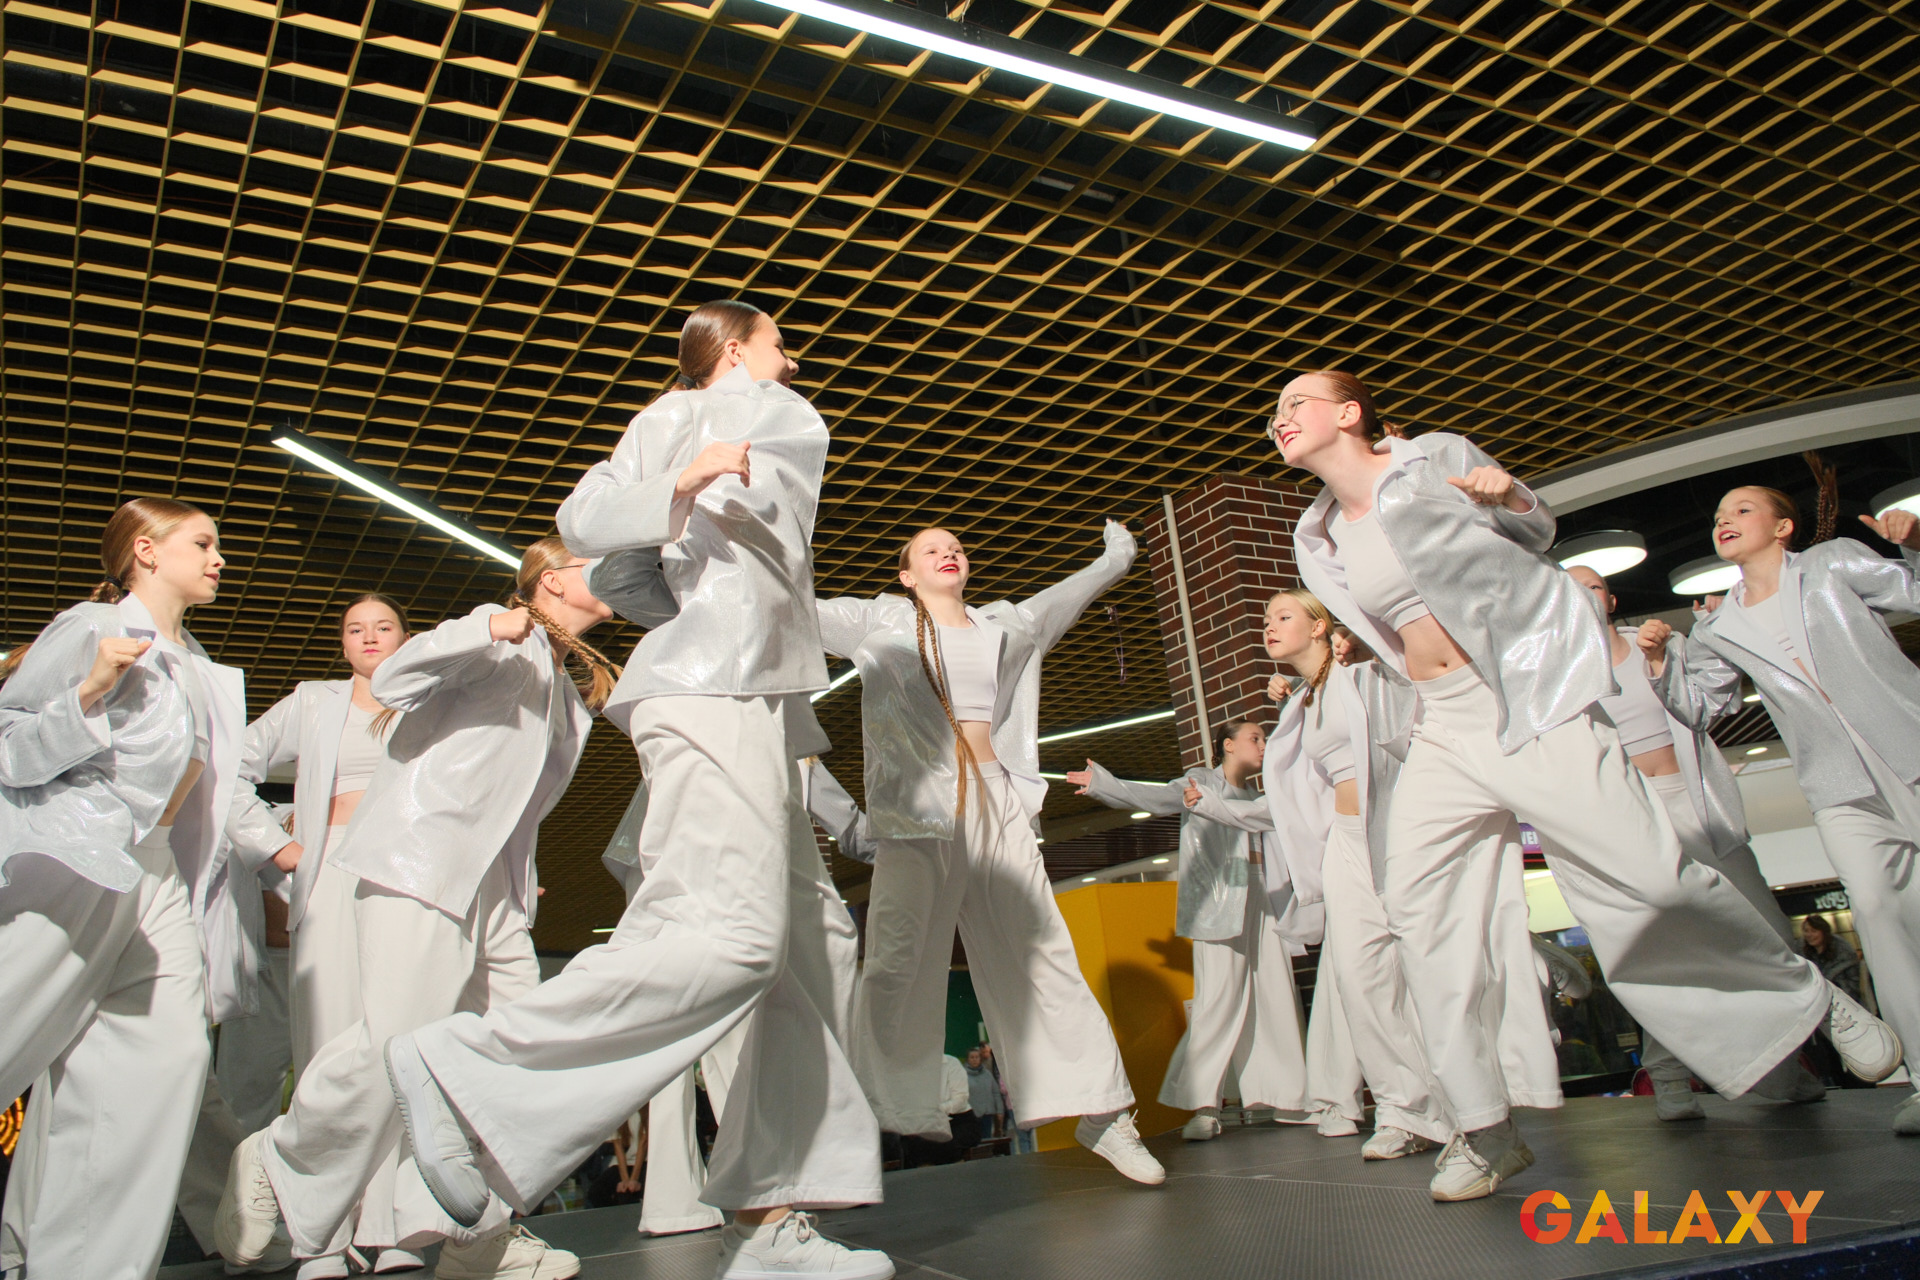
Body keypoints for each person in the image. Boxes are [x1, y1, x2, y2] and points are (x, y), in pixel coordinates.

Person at [358, 301, 893, 1280]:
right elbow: (589, 525)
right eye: (779, 343)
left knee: (811, 946)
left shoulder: (722, 417)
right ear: (735, 350)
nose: (793, 360)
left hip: (753, 694)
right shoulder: (736, 413)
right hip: (710, 689)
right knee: (735, 940)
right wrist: (682, 483)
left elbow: (633, 572)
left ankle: (770, 1220)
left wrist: (680, 538)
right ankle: (465, 1066)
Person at [1271, 369, 1898, 1200]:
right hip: (1443, 724)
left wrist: (1509, 495)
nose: (1279, 418)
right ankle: (1484, 1130)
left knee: (1651, 876)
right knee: (1419, 917)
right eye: (1275, 412)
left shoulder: (1430, 458)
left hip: (1529, 700)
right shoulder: (1316, 537)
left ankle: (1810, 999)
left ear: (1350, 412)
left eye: (1296, 403)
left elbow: (1535, 530)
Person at [217, 536, 615, 1280]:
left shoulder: (561, 683)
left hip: (492, 889)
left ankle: (472, 1234)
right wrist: (485, 624)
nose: (622, 573)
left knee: (516, 1057)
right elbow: (397, 675)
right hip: (420, 863)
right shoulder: (495, 640)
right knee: (395, 1043)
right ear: (555, 581)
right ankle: (278, 1158)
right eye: (600, 564)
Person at [818, 521, 1164, 1186]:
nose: (948, 553)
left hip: (996, 800)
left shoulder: (1003, 625)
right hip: (918, 808)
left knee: (1041, 951)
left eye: (956, 546)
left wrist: (1112, 562)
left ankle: (1102, 1112)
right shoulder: (877, 622)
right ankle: (882, 1109)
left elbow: (1060, 602)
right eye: (930, 549)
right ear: (906, 575)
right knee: (897, 953)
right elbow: (784, 603)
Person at [1188, 591, 1559, 1161]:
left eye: (1283, 616)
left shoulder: (1364, 673)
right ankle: (1404, 1109)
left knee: (1428, 967)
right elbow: (1288, 802)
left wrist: (1366, 645)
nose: (1268, 626)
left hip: (1399, 830)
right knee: (1360, 978)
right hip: (1344, 841)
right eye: (1264, 619)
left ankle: (1470, 1108)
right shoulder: (1301, 705)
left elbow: (1418, 697)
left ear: (1320, 626)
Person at [0, 498, 246, 1279]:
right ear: (146, 550)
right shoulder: (88, 628)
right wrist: (87, 694)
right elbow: (8, 745)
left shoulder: (199, 664)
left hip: (157, 873)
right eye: (202, 543)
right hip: (76, 859)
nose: (218, 558)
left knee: (163, 1061)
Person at [1639, 487, 1920, 1133]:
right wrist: (1659, 664)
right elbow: (1699, 708)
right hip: (1837, 784)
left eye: (1741, 510)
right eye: (1718, 516)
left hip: (1910, 744)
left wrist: (1915, 544)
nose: (1724, 520)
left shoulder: (1833, 562)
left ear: (1783, 525)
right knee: (1874, 910)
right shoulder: (1716, 627)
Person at [1568, 566, 1825, 1122]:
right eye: (1569, 589)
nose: (1582, 596)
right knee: (1676, 951)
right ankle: (1666, 1073)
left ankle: (1777, 1070)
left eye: (1592, 586)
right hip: (1635, 818)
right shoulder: (1561, 669)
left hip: (1698, 802)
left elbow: (1716, 703)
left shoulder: (1660, 643)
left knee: (1772, 933)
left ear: (1611, 599)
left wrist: (1674, 651)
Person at [221, 594, 420, 1276]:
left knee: (396, 1040)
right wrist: (274, 846)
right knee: (327, 1041)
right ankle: (322, 1236)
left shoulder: (429, 698)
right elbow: (232, 763)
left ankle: (391, 1225)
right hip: (330, 867)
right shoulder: (312, 701)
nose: (369, 637)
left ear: (407, 638)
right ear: (342, 643)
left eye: (384, 626)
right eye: (355, 628)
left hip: (406, 869)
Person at [596, 759, 874, 1236]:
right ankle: (766, 1189)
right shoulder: (777, 739)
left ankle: (672, 1203)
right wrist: (918, 846)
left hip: (661, 879)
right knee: (737, 1041)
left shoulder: (683, 741)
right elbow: (847, 824)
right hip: (718, 885)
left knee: (672, 1045)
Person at [1067, 720, 1314, 1143]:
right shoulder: (1201, 781)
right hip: (1220, 903)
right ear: (1228, 745)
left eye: (1265, 738)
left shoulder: (1258, 793)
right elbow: (1157, 797)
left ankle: (1288, 1098)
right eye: (1255, 738)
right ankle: (1204, 1106)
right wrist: (1103, 785)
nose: (1263, 744)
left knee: (1275, 994)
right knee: (1218, 1001)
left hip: (1262, 898)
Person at [1802, 915, 1862, 999]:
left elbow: (1855, 984)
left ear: (1824, 932)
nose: (1809, 935)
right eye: (1806, 931)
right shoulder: (1803, 954)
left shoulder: (1844, 954)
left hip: (1843, 999)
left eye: (1813, 931)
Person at [964, 1047, 1005, 1139]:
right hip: (971, 1115)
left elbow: (996, 1093)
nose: (974, 1059)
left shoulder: (987, 1074)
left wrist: (999, 1110)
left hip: (987, 1115)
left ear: (980, 1059)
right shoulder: (962, 1075)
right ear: (968, 1059)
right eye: (972, 1057)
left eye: (977, 1057)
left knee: (987, 1140)